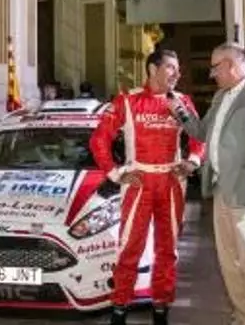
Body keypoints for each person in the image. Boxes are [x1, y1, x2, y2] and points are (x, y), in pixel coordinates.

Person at [171, 42, 245, 325]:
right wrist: (181, 112)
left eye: (215, 68)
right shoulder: (221, 97)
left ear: (231, 64)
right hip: (222, 192)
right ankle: (242, 316)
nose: (212, 74)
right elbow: (202, 132)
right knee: (230, 264)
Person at [89, 48, 205, 325]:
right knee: (130, 248)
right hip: (139, 183)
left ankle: (161, 309)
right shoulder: (127, 100)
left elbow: (199, 138)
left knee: (167, 250)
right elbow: (99, 140)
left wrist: (192, 162)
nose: (177, 73)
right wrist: (116, 173)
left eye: (178, 69)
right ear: (153, 69)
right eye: (171, 67)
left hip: (172, 183)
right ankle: (119, 309)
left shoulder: (182, 101)